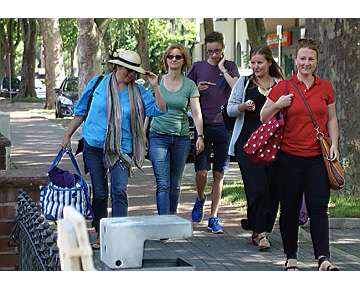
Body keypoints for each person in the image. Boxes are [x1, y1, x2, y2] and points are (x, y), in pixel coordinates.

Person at [61, 50, 167, 248]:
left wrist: (155, 86)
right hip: (93, 146)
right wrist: (67, 135)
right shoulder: (97, 83)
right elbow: (81, 111)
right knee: (100, 193)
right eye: (128, 70)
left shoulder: (139, 92)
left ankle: (119, 234)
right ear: (117, 66)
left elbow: (160, 109)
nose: (131, 75)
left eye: (135, 72)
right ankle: (101, 234)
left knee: (119, 191)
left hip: (122, 149)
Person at [260, 39, 340, 270]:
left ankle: (323, 258)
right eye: (302, 58)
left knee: (318, 207)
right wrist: (279, 104)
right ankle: (291, 256)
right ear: (295, 60)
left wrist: (334, 143)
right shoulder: (283, 87)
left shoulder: (325, 87)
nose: (306, 63)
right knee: (290, 208)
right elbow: (264, 116)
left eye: (311, 59)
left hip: (318, 158)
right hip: (288, 158)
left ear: (316, 61)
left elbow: (332, 118)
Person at [227, 45, 284, 250]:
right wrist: (242, 107)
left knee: (273, 189)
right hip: (247, 144)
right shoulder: (244, 83)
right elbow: (230, 109)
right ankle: (260, 233)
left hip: (273, 143)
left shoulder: (280, 84)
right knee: (256, 187)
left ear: (269, 62)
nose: (256, 66)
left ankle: (260, 227)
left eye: (260, 62)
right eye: (253, 63)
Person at [187, 31, 239, 233]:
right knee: (201, 171)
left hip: (224, 127)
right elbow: (187, 91)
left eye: (217, 50)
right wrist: (197, 89)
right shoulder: (197, 67)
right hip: (203, 126)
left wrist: (222, 69)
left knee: (219, 173)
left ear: (223, 48)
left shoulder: (230, 66)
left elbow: (237, 89)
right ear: (205, 49)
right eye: (210, 51)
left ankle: (214, 216)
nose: (214, 54)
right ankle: (200, 197)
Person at [146, 44, 204, 215]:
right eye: (170, 56)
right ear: (166, 60)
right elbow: (149, 111)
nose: (173, 59)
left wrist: (200, 136)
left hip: (181, 139)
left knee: (175, 183)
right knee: (163, 183)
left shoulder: (190, 85)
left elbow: (196, 112)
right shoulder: (157, 82)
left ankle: (171, 220)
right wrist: (143, 134)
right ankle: (164, 224)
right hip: (158, 137)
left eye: (178, 57)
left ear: (184, 60)